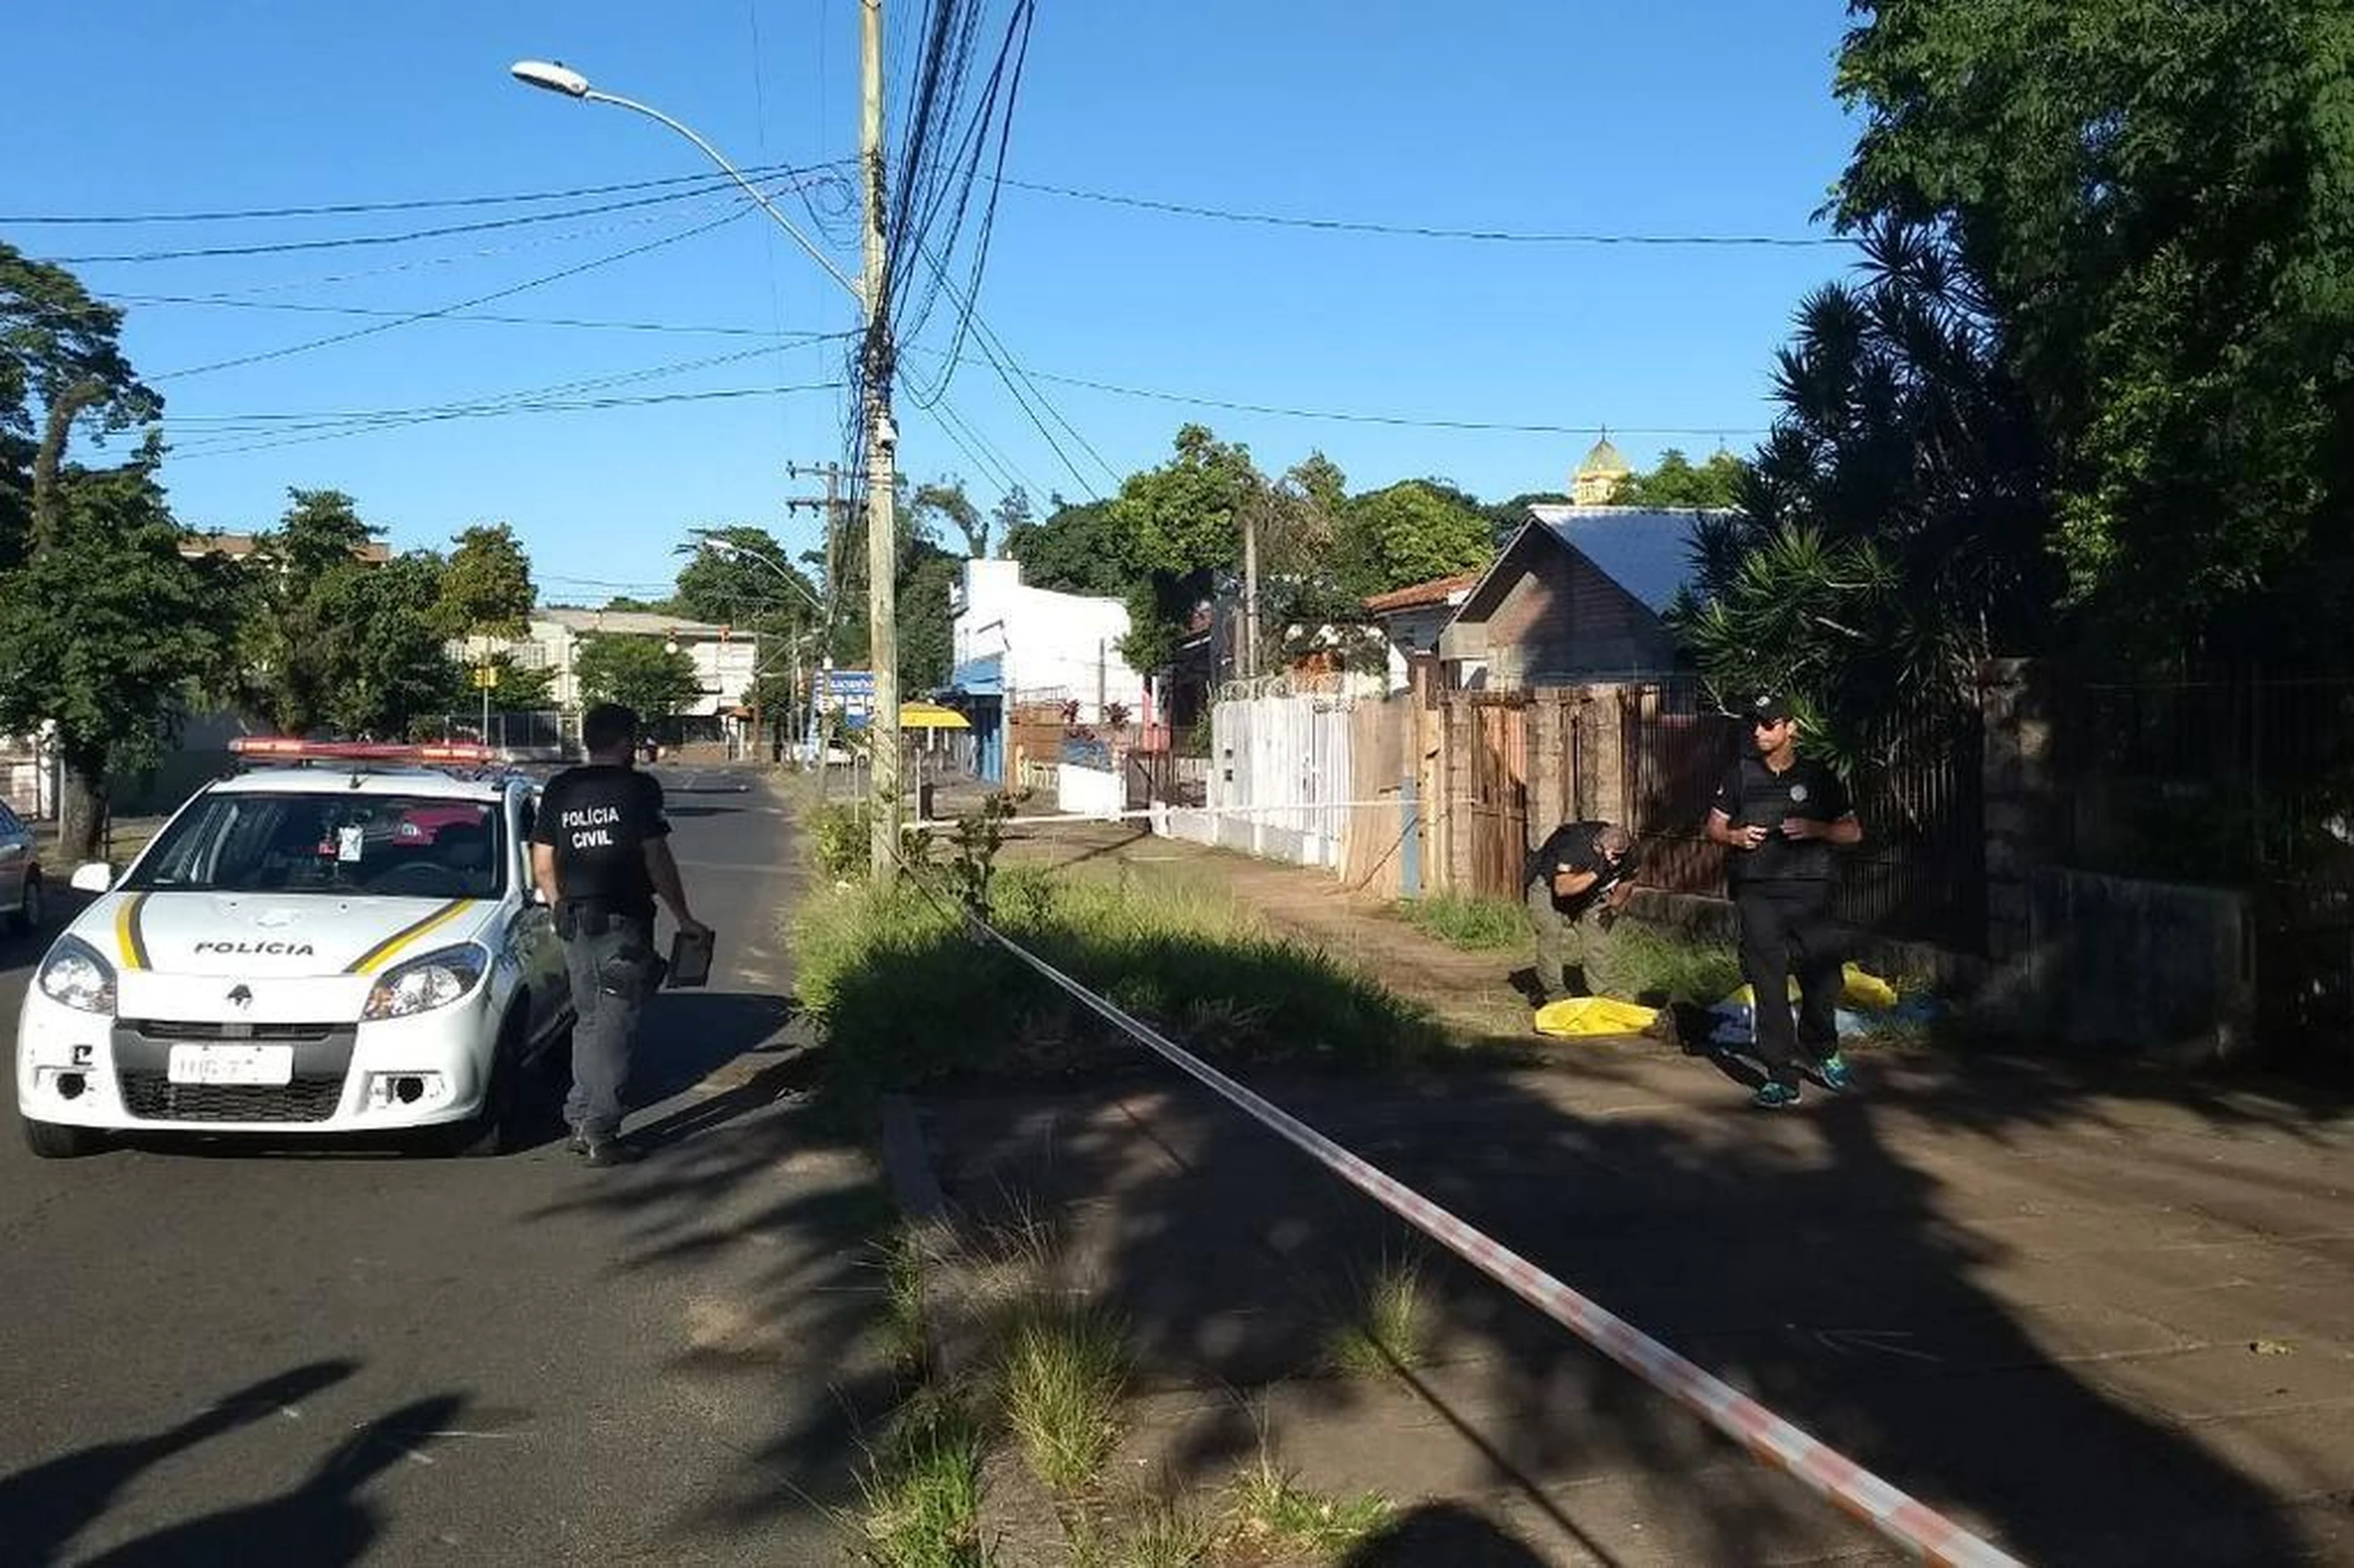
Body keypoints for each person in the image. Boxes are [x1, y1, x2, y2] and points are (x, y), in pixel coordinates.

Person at [530, 703, 709, 1165]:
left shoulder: (560, 789)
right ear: (626, 742)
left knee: (588, 1021)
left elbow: (543, 861)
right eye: (636, 740)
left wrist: (557, 906)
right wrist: (684, 917)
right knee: (617, 1025)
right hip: (622, 922)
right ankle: (601, 1131)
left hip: (573, 921)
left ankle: (579, 1116)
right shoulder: (638, 790)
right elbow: (656, 858)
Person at [1705, 695, 1864, 1109]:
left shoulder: (1820, 776)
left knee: (1825, 978)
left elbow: (1853, 833)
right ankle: (1781, 1073)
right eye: (1755, 724)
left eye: (1768, 724)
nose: (1759, 731)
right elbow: (1714, 827)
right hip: (1758, 891)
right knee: (1768, 982)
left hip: (1811, 890)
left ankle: (1822, 1046)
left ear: (1790, 728)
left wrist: (1818, 828)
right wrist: (1736, 837)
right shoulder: (1739, 775)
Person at [1522, 820, 1639, 1010]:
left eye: (1620, 856)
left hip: (1590, 891)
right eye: (1612, 855)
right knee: (1550, 934)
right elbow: (1562, 888)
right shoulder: (1575, 846)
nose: (1615, 860)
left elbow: (1627, 881)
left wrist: (1613, 907)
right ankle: (1556, 994)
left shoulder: (1631, 853)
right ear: (1598, 846)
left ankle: (1605, 990)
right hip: (1548, 885)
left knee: (1598, 937)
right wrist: (1596, 873)